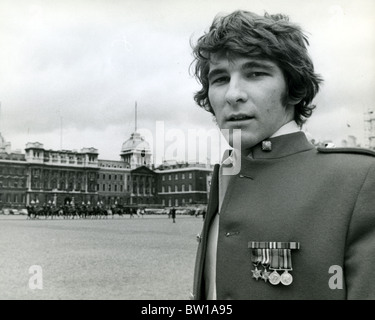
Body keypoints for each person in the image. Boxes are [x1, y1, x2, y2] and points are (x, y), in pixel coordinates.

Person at [190, 10, 375, 300]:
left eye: (255, 74)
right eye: (220, 78)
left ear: (294, 88)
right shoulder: (226, 174)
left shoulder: (360, 179)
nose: (232, 94)